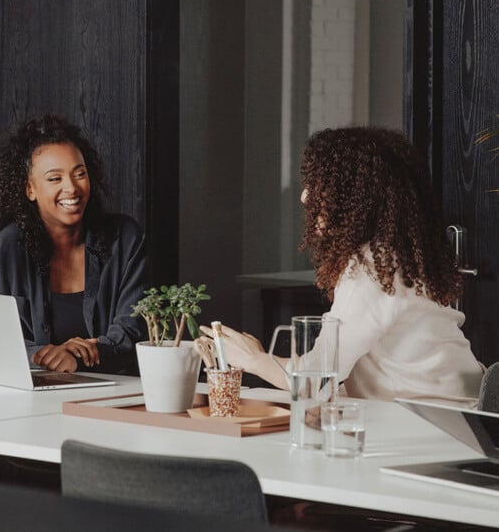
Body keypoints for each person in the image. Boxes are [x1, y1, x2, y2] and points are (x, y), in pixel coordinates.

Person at [202, 126, 484, 407]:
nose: (305, 197)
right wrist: (262, 356)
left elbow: (316, 378)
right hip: (455, 414)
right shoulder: (398, 258)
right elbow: (324, 370)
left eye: (320, 184)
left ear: (357, 195)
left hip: (431, 427)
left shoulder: (372, 269)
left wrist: (253, 359)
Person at [0, 115, 148, 375]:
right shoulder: (7, 246)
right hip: (30, 396)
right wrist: (45, 357)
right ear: (30, 189)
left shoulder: (124, 238)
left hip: (114, 394)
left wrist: (78, 356)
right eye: (55, 179)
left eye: (80, 174)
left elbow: (134, 330)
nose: (72, 188)